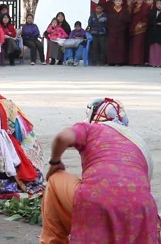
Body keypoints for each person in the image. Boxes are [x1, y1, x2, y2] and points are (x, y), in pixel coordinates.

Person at [40, 98, 158, 244]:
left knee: (55, 179)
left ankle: (53, 240)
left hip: (96, 200)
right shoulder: (138, 143)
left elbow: (62, 137)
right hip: (143, 210)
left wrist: (55, 162)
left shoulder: (90, 129)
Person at [106, 0, 130, 66]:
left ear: (122, 2)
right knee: (112, 46)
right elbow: (107, 21)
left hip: (121, 31)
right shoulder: (110, 10)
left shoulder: (125, 10)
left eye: (120, 1)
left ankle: (119, 62)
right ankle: (111, 61)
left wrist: (123, 27)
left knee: (120, 47)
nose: (118, 2)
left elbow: (127, 21)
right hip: (112, 31)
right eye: (117, 1)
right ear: (114, 2)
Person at [129, 0, 150, 65]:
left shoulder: (146, 6)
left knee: (139, 45)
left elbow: (146, 17)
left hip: (141, 27)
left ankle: (138, 61)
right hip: (133, 26)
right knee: (133, 45)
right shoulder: (134, 5)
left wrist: (142, 25)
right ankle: (133, 61)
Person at [148, 0, 161, 67]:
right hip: (152, 31)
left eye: (160, 4)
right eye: (157, 4)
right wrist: (156, 23)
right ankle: (153, 63)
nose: (159, 5)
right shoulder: (152, 12)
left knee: (159, 47)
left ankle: (159, 63)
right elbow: (149, 21)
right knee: (153, 47)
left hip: (160, 32)